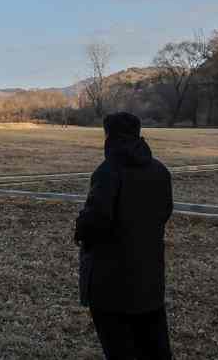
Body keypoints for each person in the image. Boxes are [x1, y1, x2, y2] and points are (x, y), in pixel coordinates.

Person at [74, 112, 174, 360]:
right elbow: (164, 213)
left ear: (109, 136)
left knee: (119, 349)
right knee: (155, 347)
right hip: (150, 277)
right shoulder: (160, 171)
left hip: (110, 285)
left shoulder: (108, 172)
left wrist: (80, 227)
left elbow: (95, 222)